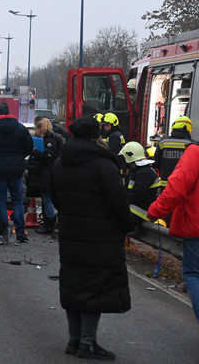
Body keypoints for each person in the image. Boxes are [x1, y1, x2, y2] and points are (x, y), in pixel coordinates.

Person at [51, 117, 132, 360]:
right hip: (100, 236)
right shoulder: (103, 165)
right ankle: (88, 343)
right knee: (94, 287)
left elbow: (55, 197)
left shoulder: (60, 162)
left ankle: (74, 340)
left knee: (74, 285)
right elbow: (117, 201)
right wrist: (127, 226)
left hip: (70, 233)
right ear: (97, 136)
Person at [148, 142, 199, 324]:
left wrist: (155, 211)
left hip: (196, 227)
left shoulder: (195, 153)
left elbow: (176, 187)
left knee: (194, 274)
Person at [0, 101, 34, 243]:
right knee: (18, 201)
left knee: (1, 202)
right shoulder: (20, 129)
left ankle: (3, 233)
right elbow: (29, 147)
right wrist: (20, 157)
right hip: (16, 169)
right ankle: (20, 233)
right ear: (9, 113)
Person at [27, 117, 64, 235]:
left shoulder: (49, 141)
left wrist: (34, 152)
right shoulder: (51, 140)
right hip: (48, 173)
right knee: (46, 198)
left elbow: (48, 156)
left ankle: (49, 223)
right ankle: (48, 221)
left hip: (47, 174)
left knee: (47, 199)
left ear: (40, 128)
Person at [119, 141, 160, 224]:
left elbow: (135, 196)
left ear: (129, 157)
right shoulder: (138, 171)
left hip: (143, 213)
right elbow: (127, 191)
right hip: (140, 209)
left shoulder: (144, 173)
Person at [153, 116, 194, 187]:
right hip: (184, 187)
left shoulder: (163, 143)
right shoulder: (193, 145)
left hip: (165, 186)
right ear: (188, 128)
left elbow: (156, 164)